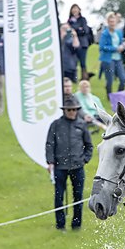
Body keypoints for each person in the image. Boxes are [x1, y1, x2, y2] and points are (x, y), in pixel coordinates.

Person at [45, 95, 92, 231]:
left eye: (74, 109)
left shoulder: (82, 124)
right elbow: (50, 144)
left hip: (78, 166)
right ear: (64, 110)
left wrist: (85, 159)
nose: (72, 112)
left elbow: (89, 145)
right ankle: (60, 224)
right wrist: (50, 162)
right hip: (60, 166)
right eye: (69, 110)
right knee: (59, 196)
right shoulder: (56, 125)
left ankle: (76, 224)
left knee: (78, 196)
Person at [98, 13, 125, 95]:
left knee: (123, 79)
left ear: (116, 22)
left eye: (113, 21)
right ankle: (109, 96)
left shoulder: (119, 32)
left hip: (118, 59)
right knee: (109, 80)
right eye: (110, 21)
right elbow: (102, 47)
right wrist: (115, 48)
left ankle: (119, 95)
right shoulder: (105, 33)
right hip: (108, 59)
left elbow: (121, 42)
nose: (112, 23)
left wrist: (122, 46)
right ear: (107, 22)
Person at [68, 4, 93, 80]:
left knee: (82, 63)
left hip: (82, 44)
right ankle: (73, 78)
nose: (75, 10)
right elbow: (69, 31)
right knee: (73, 62)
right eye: (73, 8)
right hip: (72, 44)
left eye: (76, 8)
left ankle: (84, 78)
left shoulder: (83, 19)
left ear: (79, 10)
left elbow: (85, 30)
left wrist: (75, 29)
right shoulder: (69, 20)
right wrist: (78, 28)